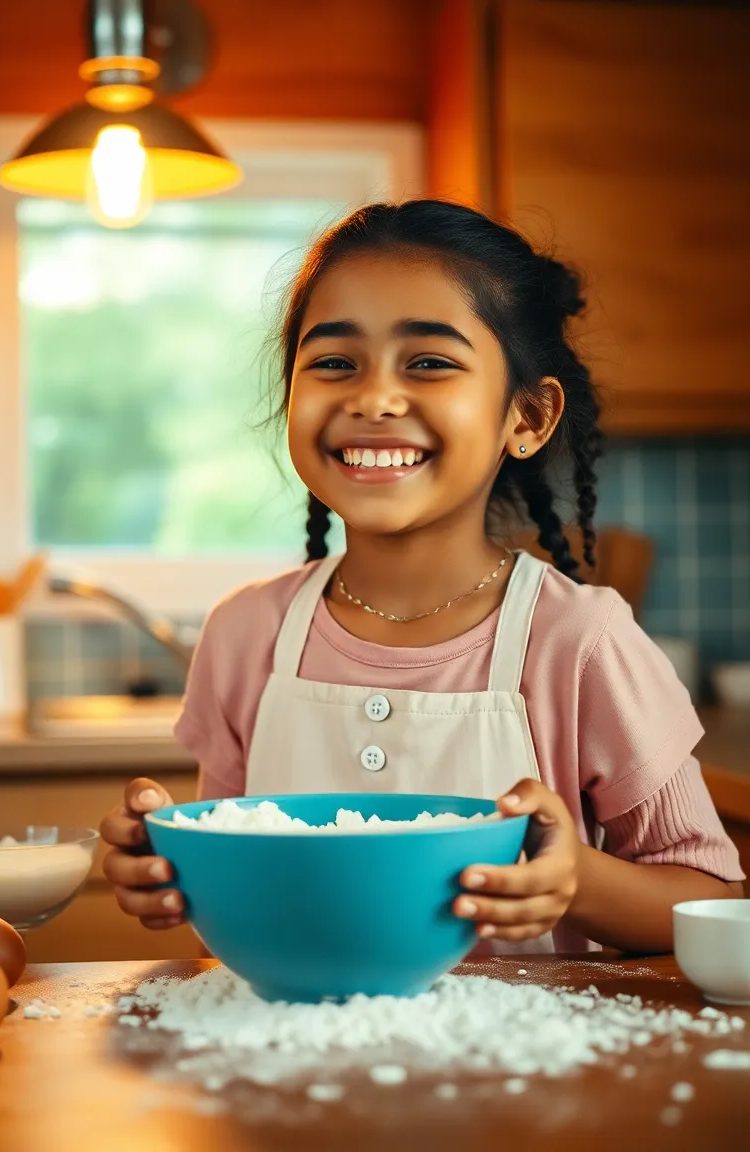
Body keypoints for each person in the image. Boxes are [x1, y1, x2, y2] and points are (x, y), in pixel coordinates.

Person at [100, 199, 743, 956]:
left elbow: (714, 901)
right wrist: (179, 873)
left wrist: (579, 882)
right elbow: (237, 914)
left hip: (527, 1073)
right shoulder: (247, 635)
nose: (371, 398)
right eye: (333, 362)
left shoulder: (580, 642)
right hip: (285, 1066)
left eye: (430, 362)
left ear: (527, 417)